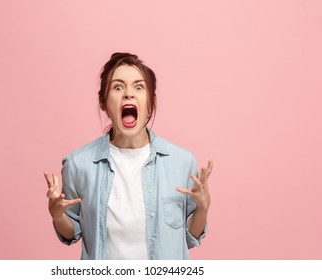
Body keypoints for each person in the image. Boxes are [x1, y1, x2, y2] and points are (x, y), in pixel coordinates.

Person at [44, 52, 213, 260]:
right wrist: (57, 215)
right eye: (117, 87)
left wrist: (203, 208)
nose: (128, 94)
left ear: (150, 103)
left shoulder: (182, 162)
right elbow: (72, 233)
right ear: (104, 103)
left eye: (139, 87)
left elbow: (190, 237)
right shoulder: (79, 164)